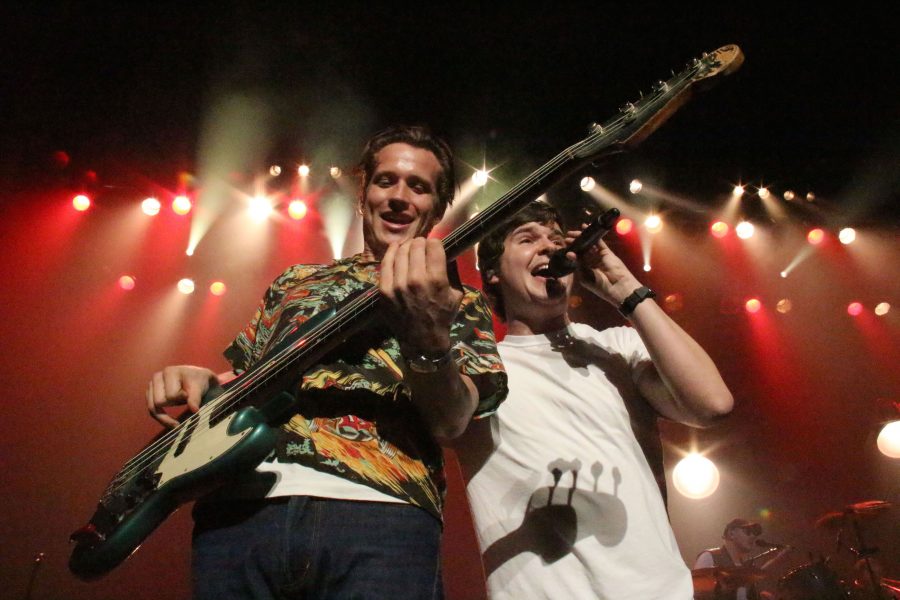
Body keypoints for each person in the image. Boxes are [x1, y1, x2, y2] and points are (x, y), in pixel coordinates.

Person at [145, 125, 508, 599]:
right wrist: (201, 379)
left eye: (417, 187)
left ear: (437, 209)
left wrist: (427, 336)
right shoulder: (295, 281)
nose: (399, 197)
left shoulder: (459, 301)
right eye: (385, 181)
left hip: (380, 516)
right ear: (363, 195)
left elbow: (452, 421)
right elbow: (245, 382)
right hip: (242, 513)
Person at [456, 201, 734, 599]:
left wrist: (625, 289)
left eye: (555, 240)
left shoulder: (617, 346)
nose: (548, 248)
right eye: (527, 239)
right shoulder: (481, 369)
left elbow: (713, 404)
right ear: (494, 273)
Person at [694, 518, 791, 600]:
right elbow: (696, 594)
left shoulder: (747, 570)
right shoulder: (709, 557)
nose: (753, 536)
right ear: (731, 533)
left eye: (755, 533)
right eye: (747, 531)